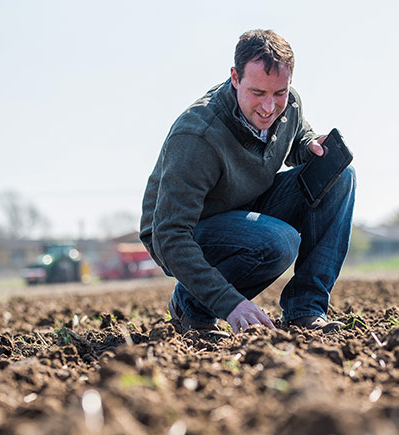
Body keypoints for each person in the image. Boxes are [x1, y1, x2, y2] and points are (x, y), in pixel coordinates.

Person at [140, 29, 356, 334]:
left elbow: (293, 137)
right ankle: (192, 305)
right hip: (186, 229)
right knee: (277, 242)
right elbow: (169, 235)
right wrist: (229, 303)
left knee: (339, 176)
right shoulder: (197, 137)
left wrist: (308, 145)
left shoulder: (289, 105)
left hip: (247, 204)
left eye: (279, 93)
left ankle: (305, 309)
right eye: (258, 93)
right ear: (235, 78)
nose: (269, 107)